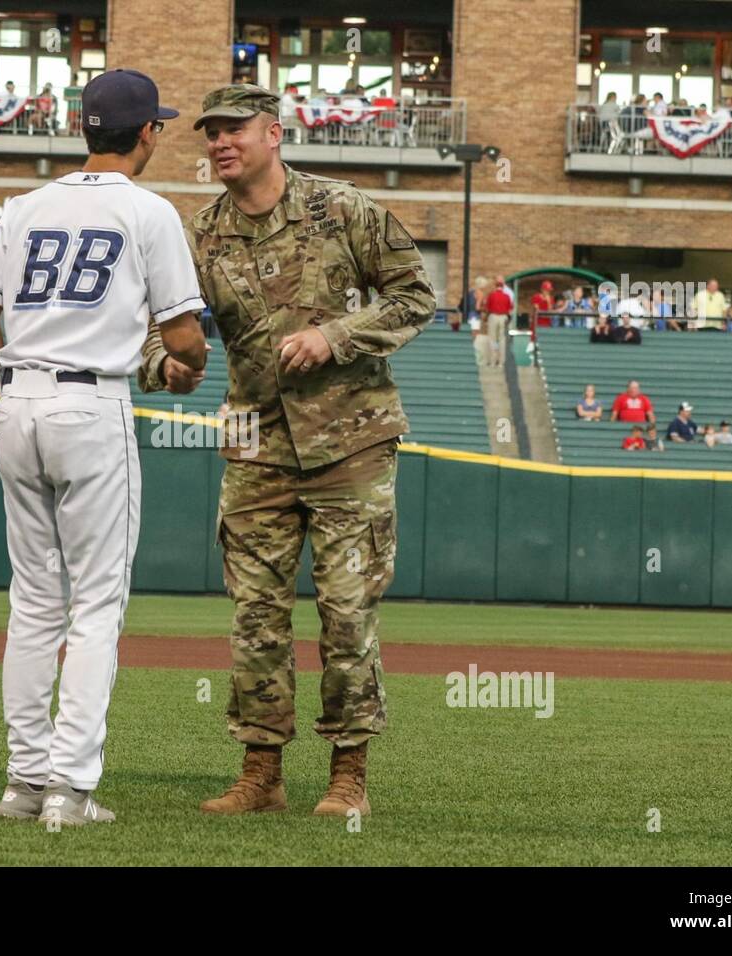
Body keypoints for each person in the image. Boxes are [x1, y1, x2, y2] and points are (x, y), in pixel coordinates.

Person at [141, 83, 435, 820]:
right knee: (256, 616)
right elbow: (154, 328)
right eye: (210, 132)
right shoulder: (197, 234)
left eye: (234, 129)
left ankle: (347, 778)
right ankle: (261, 773)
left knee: (346, 613)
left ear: (274, 133)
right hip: (253, 444)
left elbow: (414, 298)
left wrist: (335, 337)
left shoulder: (344, 208)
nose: (219, 142)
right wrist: (166, 366)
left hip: (353, 443)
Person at [0, 69, 207, 828]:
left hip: (19, 400)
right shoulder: (149, 211)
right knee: (96, 604)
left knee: (34, 601)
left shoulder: (26, 206)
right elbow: (185, 337)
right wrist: (186, 369)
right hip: (90, 404)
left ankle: (23, 784)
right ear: (146, 133)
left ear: (84, 130)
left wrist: (12, 394)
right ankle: (70, 789)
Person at [481, 277, 513, 366]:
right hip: (503, 317)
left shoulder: (492, 295)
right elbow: (510, 309)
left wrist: (485, 318)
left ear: (495, 286)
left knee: (492, 339)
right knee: (502, 340)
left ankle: (492, 361)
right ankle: (501, 362)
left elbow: (487, 308)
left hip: (493, 316)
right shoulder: (507, 296)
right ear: (503, 287)